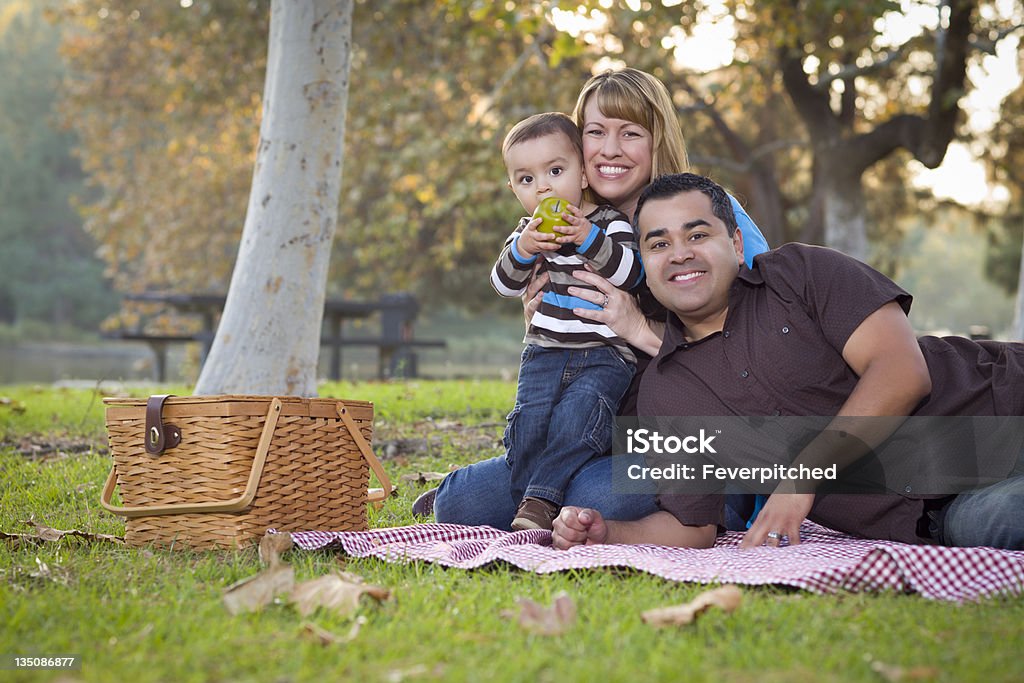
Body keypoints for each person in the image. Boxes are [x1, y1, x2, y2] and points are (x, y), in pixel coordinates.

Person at [552, 173, 1024, 551]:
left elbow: (902, 372)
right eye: (658, 244)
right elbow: (692, 526)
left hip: (1001, 408)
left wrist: (802, 476)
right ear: (646, 267)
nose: (680, 254)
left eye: (697, 234)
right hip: (946, 513)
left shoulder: (801, 273)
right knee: (1001, 522)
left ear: (736, 244)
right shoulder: (668, 390)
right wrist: (610, 534)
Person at [412, 68, 770, 530]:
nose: (610, 149)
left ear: (657, 139)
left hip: (691, 440)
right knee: (460, 506)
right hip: (606, 433)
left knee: (592, 494)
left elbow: (750, 351)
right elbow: (517, 285)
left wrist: (638, 328)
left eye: (631, 133)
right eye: (596, 132)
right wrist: (545, 319)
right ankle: (517, 490)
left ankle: (561, 494)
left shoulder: (700, 212)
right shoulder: (567, 228)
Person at [491, 112, 643, 530]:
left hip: (603, 354)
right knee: (527, 426)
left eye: (555, 171)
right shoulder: (527, 232)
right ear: (513, 189)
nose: (542, 187)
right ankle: (523, 501)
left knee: (576, 421)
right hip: (544, 351)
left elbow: (632, 274)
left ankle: (537, 504)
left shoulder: (609, 224)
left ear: (581, 175)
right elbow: (503, 284)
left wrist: (585, 238)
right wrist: (523, 248)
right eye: (526, 180)